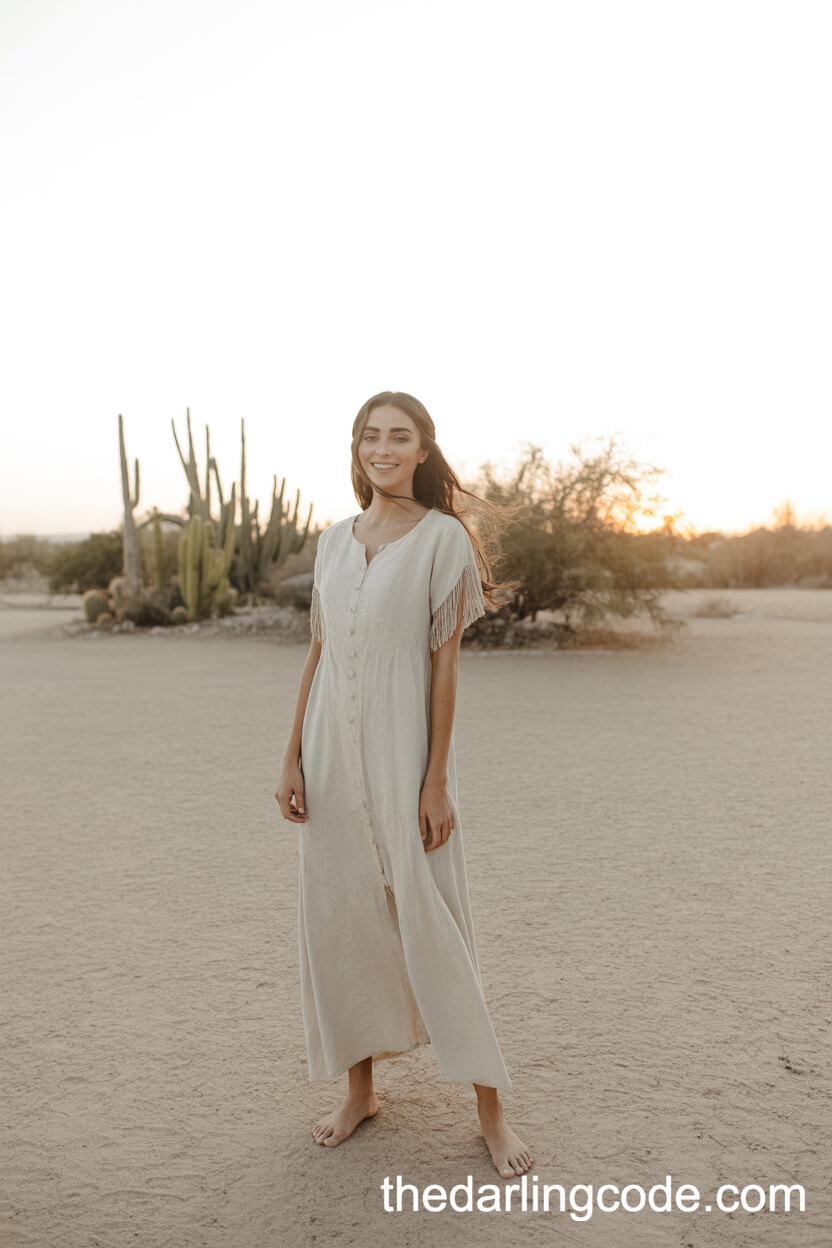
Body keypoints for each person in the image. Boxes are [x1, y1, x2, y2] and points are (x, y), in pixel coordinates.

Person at [276, 391, 533, 1178]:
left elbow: (443, 663)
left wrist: (435, 781)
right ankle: (361, 1093)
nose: (382, 449)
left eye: (399, 437)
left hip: (403, 753)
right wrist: (290, 756)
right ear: (357, 450)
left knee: (434, 914)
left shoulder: (444, 539)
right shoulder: (331, 540)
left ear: (423, 449)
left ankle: (491, 1109)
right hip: (328, 751)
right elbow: (318, 654)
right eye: (370, 437)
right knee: (341, 913)